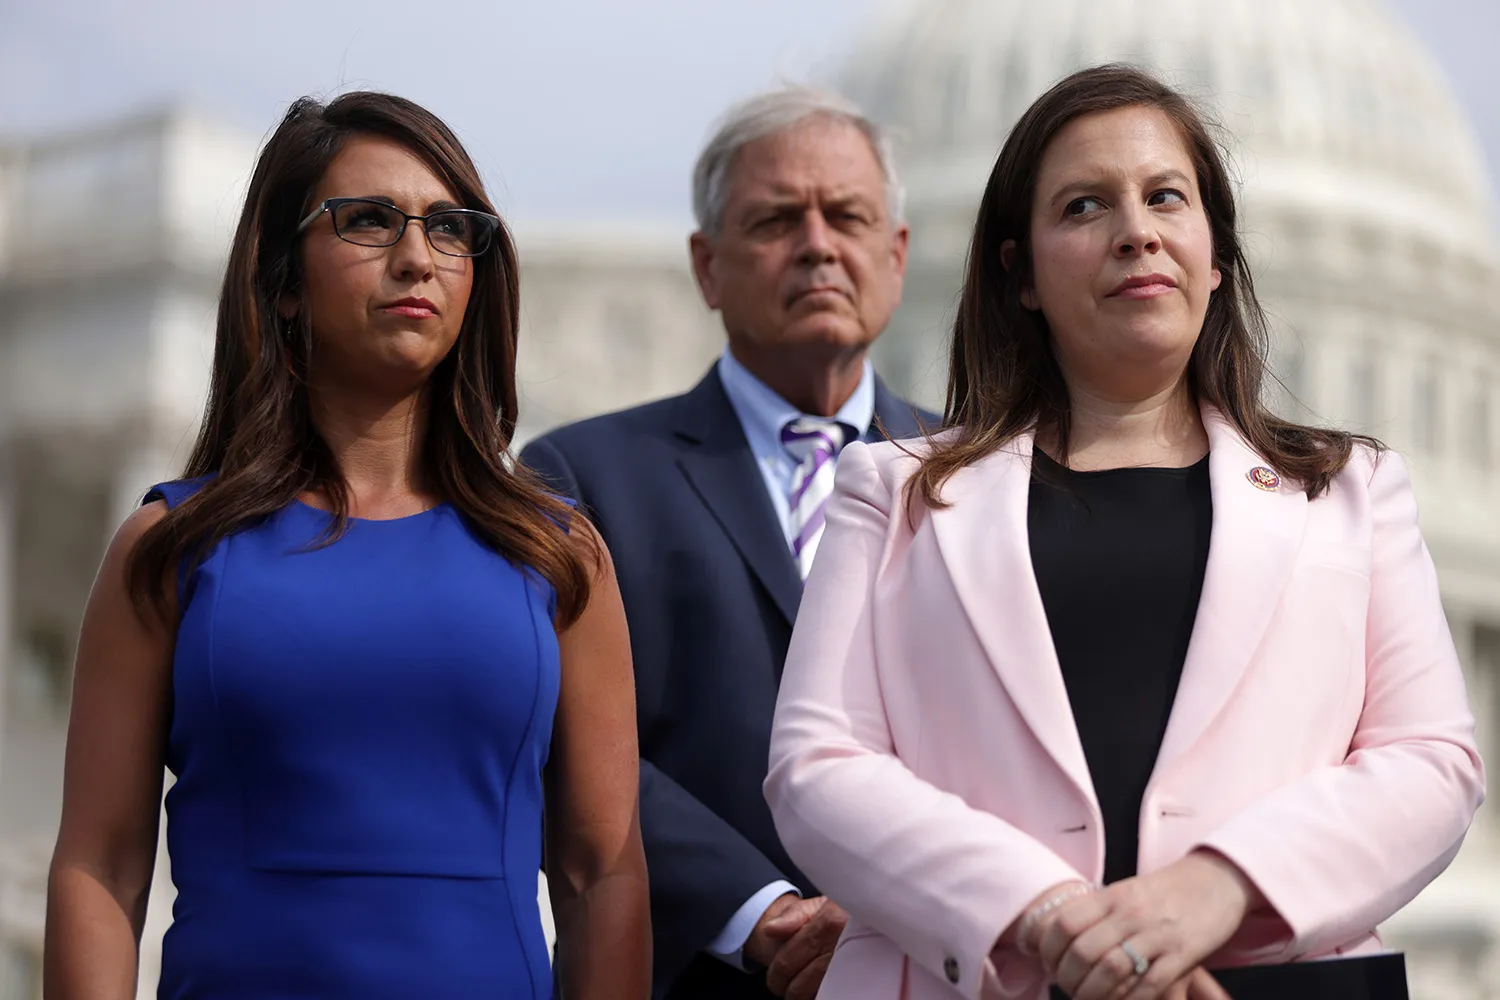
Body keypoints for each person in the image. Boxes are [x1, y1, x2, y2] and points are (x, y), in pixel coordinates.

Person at [763, 64, 1486, 1000]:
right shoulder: (892, 492)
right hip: (985, 974)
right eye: (1084, 207)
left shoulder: (1351, 492)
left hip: (1267, 974)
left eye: (1165, 198)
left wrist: (1215, 890)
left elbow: (1433, 762)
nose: (1136, 231)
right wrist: (1054, 918)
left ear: (1215, 254)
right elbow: (817, 769)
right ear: (1018, 273)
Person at [44, 92, 649, 1000]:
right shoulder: (169, 550)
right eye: (367, 221)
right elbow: (101, 868)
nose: (417, 257)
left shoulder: (561, 559)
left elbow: (603, 876)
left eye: (450, 229)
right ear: (284, 280)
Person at [522, 88, 934, 1000]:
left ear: (896, 257)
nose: (818, 244)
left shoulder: (983, 476)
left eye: (849, 217)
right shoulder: (580, 477)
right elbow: (557, 733)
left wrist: (899, 910)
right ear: (707, 268)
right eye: (777, 220)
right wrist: (763, 912)